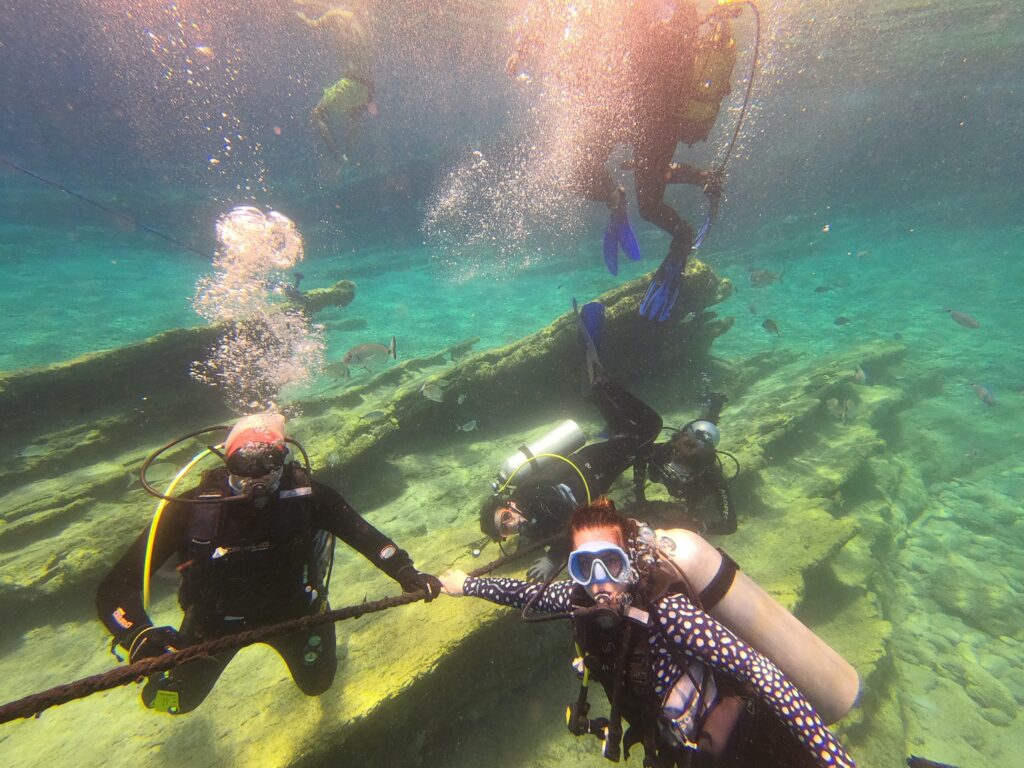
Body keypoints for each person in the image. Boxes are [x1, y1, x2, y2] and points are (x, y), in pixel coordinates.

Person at [442, 499, 859, 768]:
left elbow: (757, 670)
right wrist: (466, 585)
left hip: (747, 747)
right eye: (585, 567)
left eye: (611, 563)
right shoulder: (576, 601)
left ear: (630, 560)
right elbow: (524, 592)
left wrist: (831, 758)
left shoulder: (666, 609)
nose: (600, 582)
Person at [96, 412, 441, 715]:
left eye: (270, 464)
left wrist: (405, 572)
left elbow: (368, 538)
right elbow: (115, 588)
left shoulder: (310, 498)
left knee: (318, 684)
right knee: (173, 701)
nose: (257, 479)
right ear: (226, 462)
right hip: (213, 621)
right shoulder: (191, 509)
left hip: (296, 611)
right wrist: (137, 634)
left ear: (285, 459)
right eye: (243, 467)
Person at [507, 1, 742, 321]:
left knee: (649, 202)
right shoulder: (625, 21)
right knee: (576, 170)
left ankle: (683, 238)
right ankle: (617, 199)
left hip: (659, 113)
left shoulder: (668, 24)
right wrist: (527, 46)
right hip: (625, 103)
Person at [477, 300, 663, 580]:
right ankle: (599, 393)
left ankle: (604, 388)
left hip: (593, 465)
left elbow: (573, 521)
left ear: (509, 505)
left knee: (649, 428)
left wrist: (553, 558)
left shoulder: (533, 495)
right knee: (632, 438)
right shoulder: (531, 518)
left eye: (506, 518)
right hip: (597, 472)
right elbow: (561, 529)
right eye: (505, 530)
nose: (512, 526)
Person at [632, 392, 736, 535]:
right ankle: (715, 405)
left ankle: (715, 406)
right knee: (702, 432)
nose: (686, 455)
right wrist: (639, 495)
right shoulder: (662, 450)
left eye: (690, 463)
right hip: (667, 467)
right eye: (683, 448)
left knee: (704, 432)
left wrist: (700, 527)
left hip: (692, 496)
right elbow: (639, 456)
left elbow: (730, 525)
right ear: (676, 441)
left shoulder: (711, 475)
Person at [294, 2, 378, 164]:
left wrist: (302, 17)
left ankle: (338, 158)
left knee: (317, 115)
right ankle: (349, 157)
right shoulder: (364, 21)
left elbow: (314, 25)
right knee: (352, 117)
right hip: (368, 87)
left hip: (351, 83)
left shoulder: (336, 14)